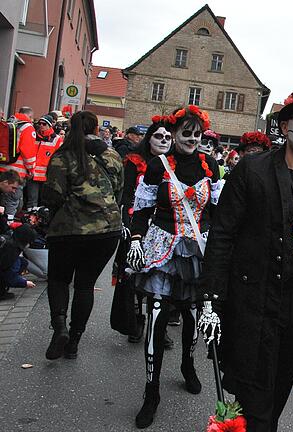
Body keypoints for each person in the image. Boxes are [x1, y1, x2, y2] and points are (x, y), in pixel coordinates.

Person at [199, 88, 293, 432]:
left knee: (275, 397)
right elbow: (222, 235)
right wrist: (210, 299)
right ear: (284, 127)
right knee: (253, 401)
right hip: (254, 305)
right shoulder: (253, 170)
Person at [126, 106, 221, 428]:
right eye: (186, 132)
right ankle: (151, 391)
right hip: (163, 248)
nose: (192, 138)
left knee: (194, 316)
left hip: (197, 250)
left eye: (197, 133)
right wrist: (136, 239)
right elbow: (142, 209)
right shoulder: (157, 165)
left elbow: (220, 215)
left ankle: (187, 365)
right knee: (156, 317)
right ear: (176, 133)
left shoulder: (212, 167)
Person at [41, 110, 123, 361]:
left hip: (69, 229)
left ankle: (60, 327)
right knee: (85, 284)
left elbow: (52, 195)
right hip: (106, 231)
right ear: (97, 129)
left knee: (58, 279)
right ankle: (74, 341)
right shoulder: (112, 155)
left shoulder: (63, 156)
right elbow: (119, 190)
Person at [113, 118, 173, 346]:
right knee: (134, 276)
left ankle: (160, 327)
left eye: (168, 137)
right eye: (159, 136)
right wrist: (129, 223)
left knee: (164, 279)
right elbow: (127, 193)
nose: (164, 141)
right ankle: (135, 321)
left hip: (164, 228)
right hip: (138, 225)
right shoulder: (135, 161)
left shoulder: (176, 163)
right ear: (149, 138)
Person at [1, 109, 37, 218]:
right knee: (13, 201)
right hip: (17, 173)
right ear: (29, 117)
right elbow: (28, 152)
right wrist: (31, 169)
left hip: (2, 167)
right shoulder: (28, 128)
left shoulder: (7, 123)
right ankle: (8, 225)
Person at [28, 115, 63, 209]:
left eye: (44, 124)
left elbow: (60, 157)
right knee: (32, 200)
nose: (41, 126)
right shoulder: (34, 136)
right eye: (39, 123)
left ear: (50, 125)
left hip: (47, 176)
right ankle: (30, 219)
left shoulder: (56, 139)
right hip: (33, 175)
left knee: (44, 201)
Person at [0, 224, 37, 301]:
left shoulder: (7, 239)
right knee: (20, 263)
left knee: (22, 262)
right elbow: (10, 274)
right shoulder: (11, 250)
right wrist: (24, 283)